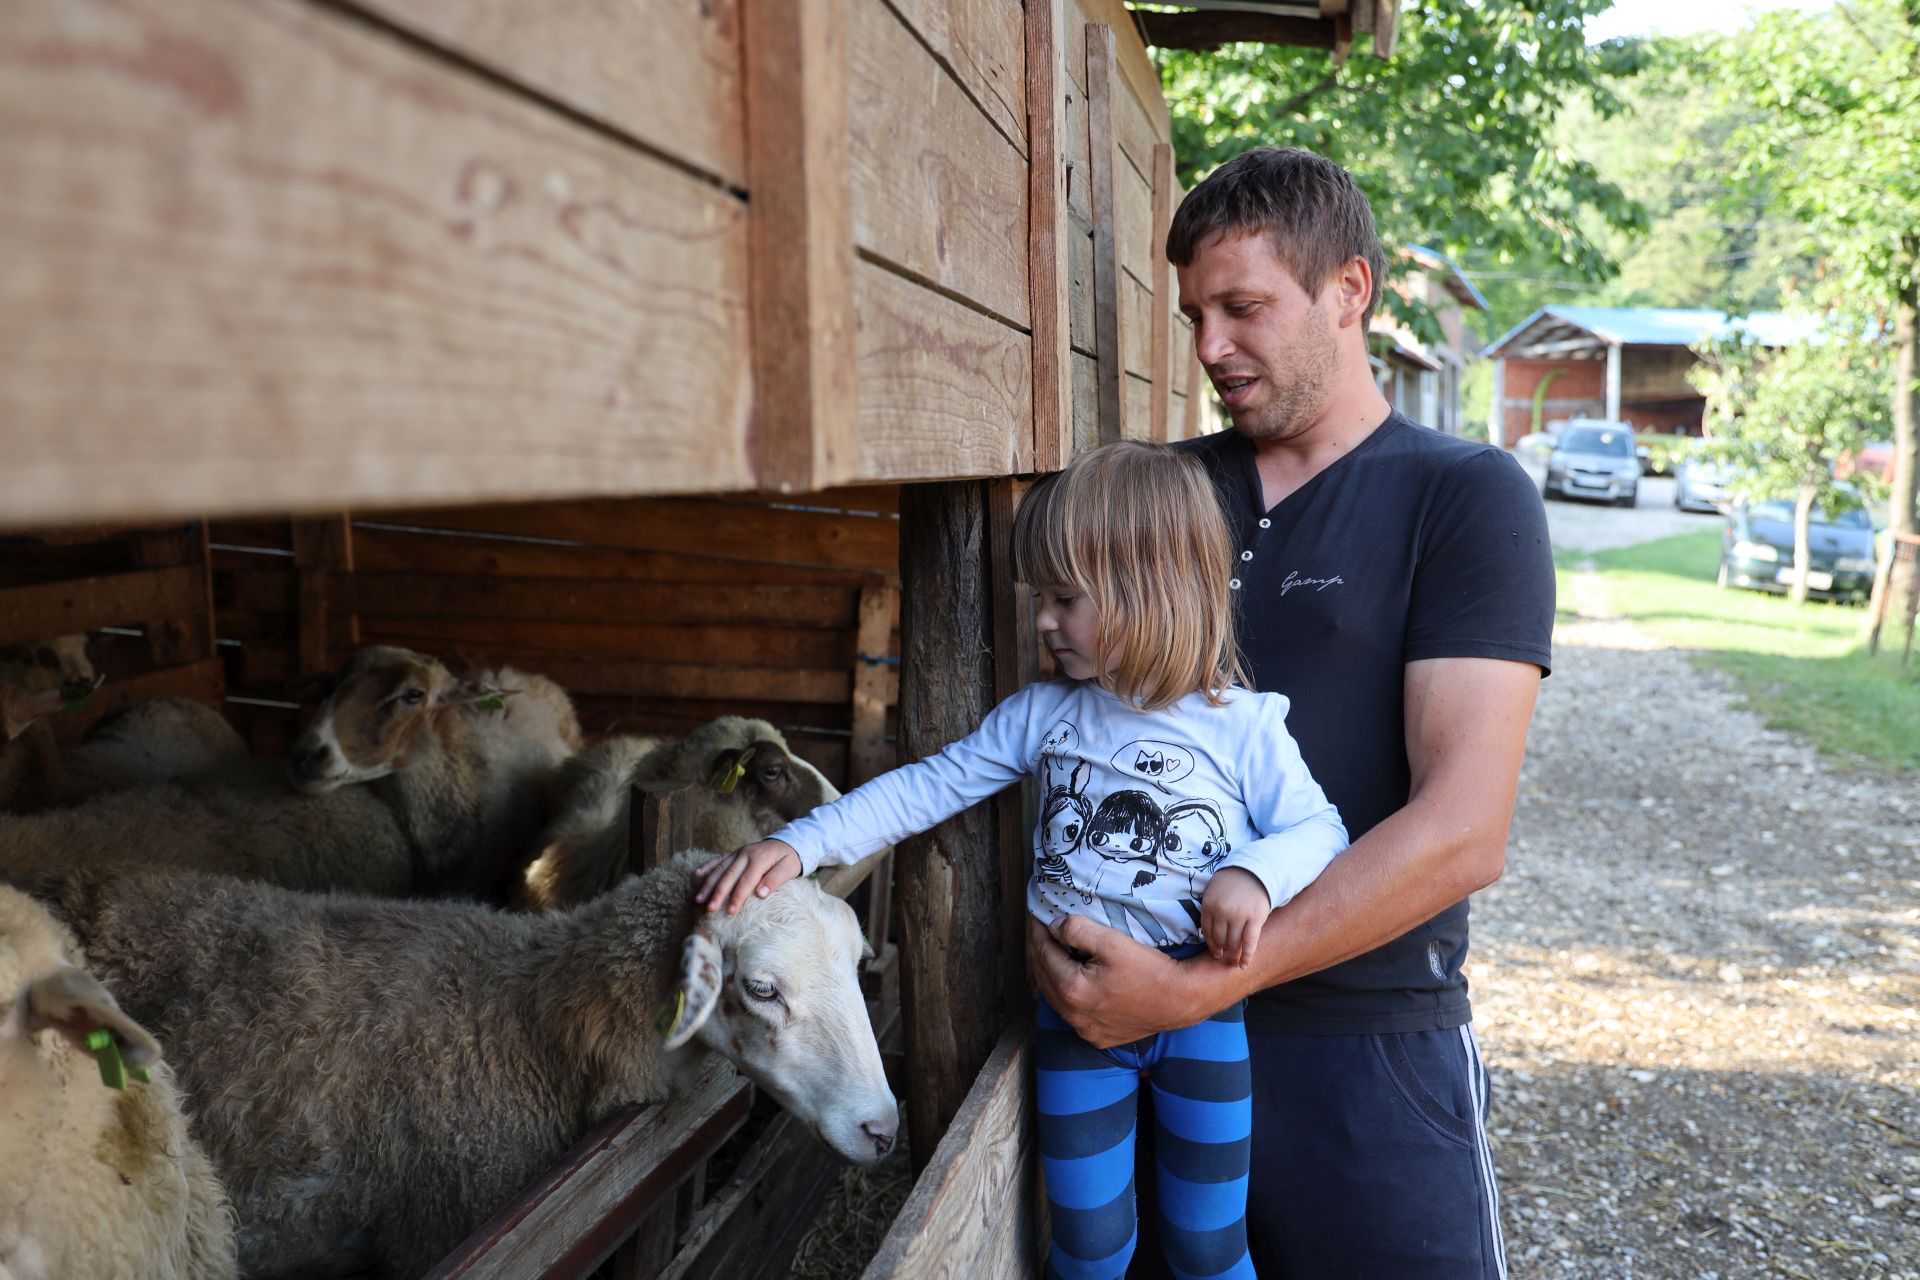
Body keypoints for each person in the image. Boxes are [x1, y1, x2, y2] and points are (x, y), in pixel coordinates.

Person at [1025, 148, 1556, 1278]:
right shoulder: (1156, 496)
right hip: (1134, 1050)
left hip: (1366, 1047)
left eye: (1244, 307)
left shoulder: (1462, 496)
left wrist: (1201, 985)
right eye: (1195, 315)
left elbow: (1463, 828)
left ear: (1348, 291)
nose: (1210, 347)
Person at [697, 441, 1350, 1280]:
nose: (1042, 620)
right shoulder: (1045, 714)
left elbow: (1320, 829)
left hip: (1203, 1022)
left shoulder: (1243, 727)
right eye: (1041, 598)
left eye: (1063, 599)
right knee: (1088, 1244)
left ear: (1150, 590)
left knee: (1208, 1244)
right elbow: (929, 786)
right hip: (1077, 1023)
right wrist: (803, 842)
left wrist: (1253, 874)